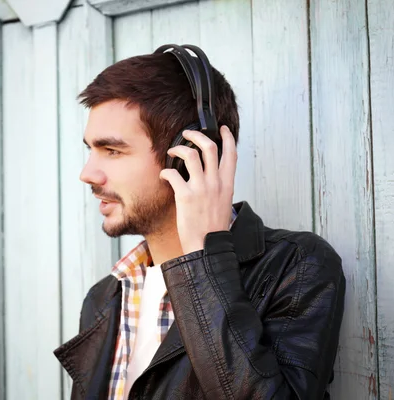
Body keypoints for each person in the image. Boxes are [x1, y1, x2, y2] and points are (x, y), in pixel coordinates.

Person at [54, 44, 346, 400]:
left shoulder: (296, 267)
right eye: (90, 150)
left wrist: (202, 260)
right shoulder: (104, 297)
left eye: (112, 150)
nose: (87, 173)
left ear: (186, 156)